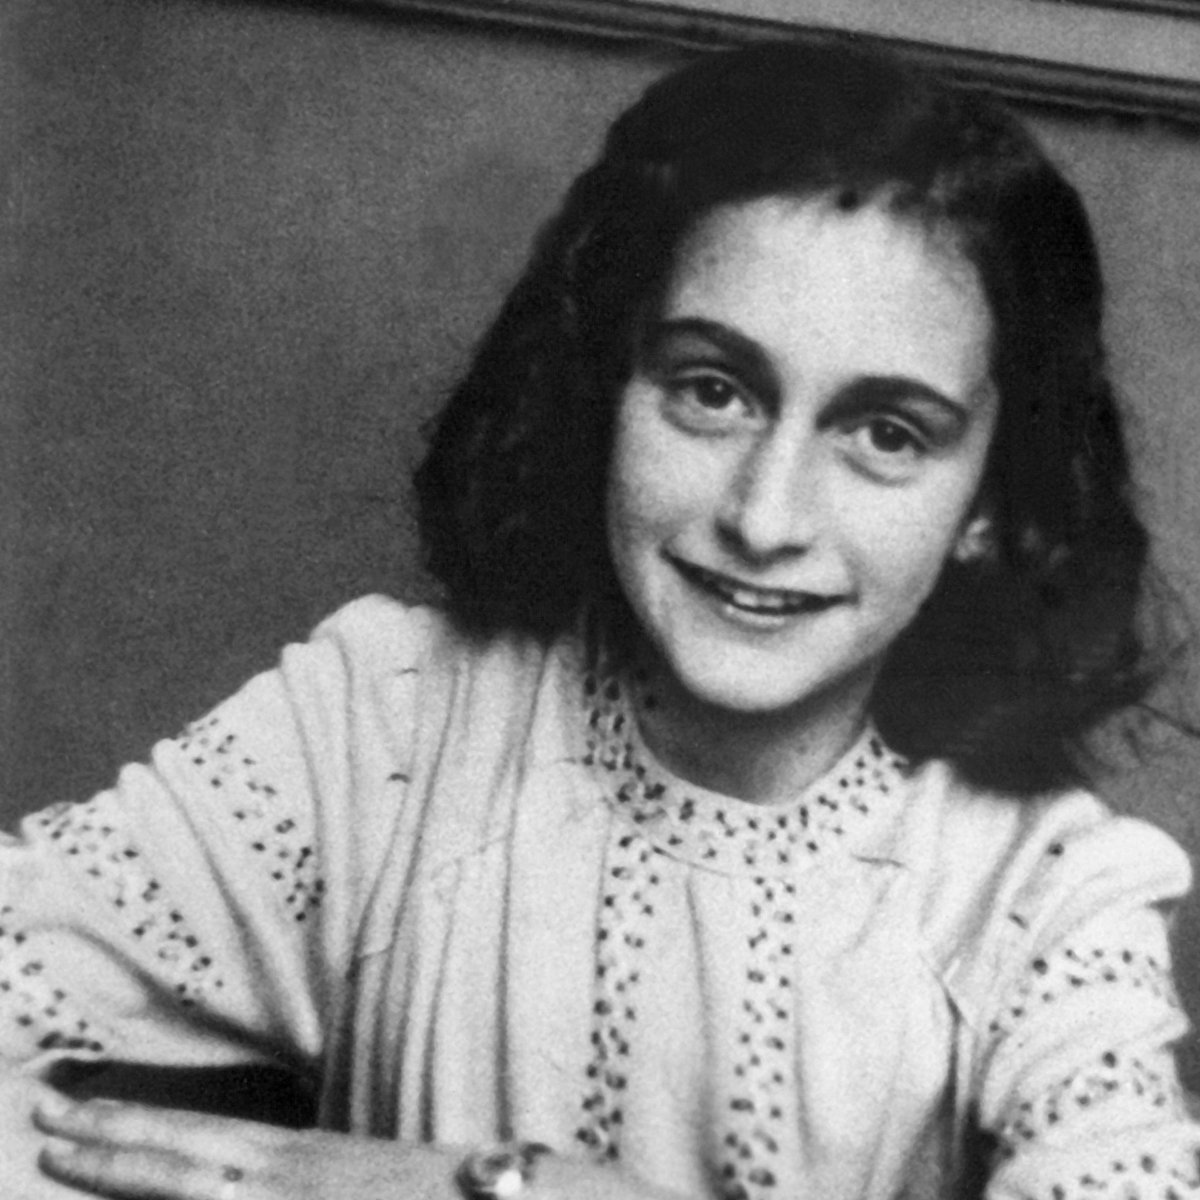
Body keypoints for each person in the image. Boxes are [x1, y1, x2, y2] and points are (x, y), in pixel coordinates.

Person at [3, 36, 1197, 1200]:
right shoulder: (385, 730)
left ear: (990, 503)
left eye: (886, 433)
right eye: (712, 390)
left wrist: (500, 1191)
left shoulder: (1046, 895)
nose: (765, 515)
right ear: (608, 386)